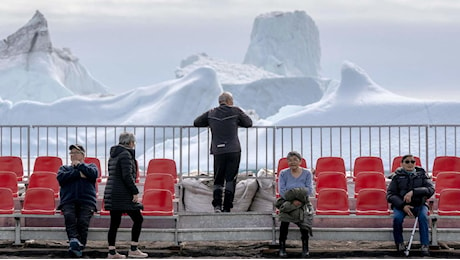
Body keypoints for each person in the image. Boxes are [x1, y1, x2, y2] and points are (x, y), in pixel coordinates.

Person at [193, 91, 253, 213]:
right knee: (231, 179)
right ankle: (227, 207)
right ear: (230, 101)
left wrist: (211, 122)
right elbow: (248, 123)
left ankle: (216, 206)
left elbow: (197, 122)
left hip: (218, 150)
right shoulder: (235, 111)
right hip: (233, 150)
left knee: (218, 178)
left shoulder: (211, 112)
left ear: (219, 102)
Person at [103, 132, 148, 259]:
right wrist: (134, 191)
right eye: (134, 142)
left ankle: (111, 252)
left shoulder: (113, 155)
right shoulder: (126, 155)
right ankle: (133, 248)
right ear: (130, 143)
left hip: (112, 192)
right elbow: (127, 175)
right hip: (122, 194)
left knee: (114, 223)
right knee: (138, 219)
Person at [387, 154, 434, 256]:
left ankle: (425, 244)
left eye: (412, 162)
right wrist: (403, 205)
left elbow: (430, 190)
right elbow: (390, 195)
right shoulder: (397, 176)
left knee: (423, 217)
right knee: (397, 219)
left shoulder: (422, 175)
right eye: (407, 162)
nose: (410, 164)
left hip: (419, 204)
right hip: (401, 206)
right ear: (402, 164)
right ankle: (399, 243)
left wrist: (414, 191)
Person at [57, 144, 98, 258]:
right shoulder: (64, 168)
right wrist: (78, 174)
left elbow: (93, 174)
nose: (73, 155)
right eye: (71, 153)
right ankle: (75, 242)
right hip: (68, 201)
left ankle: (78, 245)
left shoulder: (91, 166)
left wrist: (80, 166)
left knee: (83, 221)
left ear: (83, 155)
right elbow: (61, 178)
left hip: (87, 201)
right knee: (69, 217)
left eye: (76, 152)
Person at [275, 151, 314, 258]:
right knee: (284, 220)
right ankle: (282, 247)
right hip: (288, 201)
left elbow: (309, 190)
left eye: (295, 160)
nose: (292, 162)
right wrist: (293, 199)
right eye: (290, 160)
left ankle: (305, 248)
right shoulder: (283, 173)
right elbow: (282, 191)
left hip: (303, 202)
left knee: (304, 218)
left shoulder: (307, 173)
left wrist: (297, 197)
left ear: (300, 161)